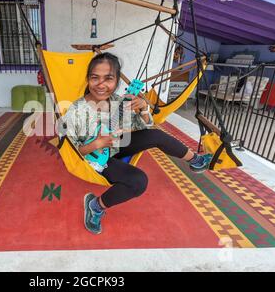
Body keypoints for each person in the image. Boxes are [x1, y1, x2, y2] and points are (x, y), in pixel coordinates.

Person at [59, 52, 212, 235]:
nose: (101, 84)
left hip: (115, 144)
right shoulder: (75, 111)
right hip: (94, 157)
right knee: (139, 181)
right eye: (95, 78)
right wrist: (97, 144)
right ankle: (95, 206)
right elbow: (70, 153)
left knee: (155, 135)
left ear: (116, 81)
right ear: (88, 80)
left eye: (108, 78)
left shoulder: (119, 102)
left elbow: (144, 125)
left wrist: (144, 109)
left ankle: (195, 160)